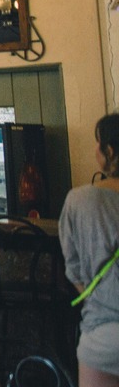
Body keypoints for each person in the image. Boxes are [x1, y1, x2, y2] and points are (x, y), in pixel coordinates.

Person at [60, 114, 119, 387]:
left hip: (103, 333)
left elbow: (74, 272)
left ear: (109, 150)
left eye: (98, 142)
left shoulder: (80, 200)